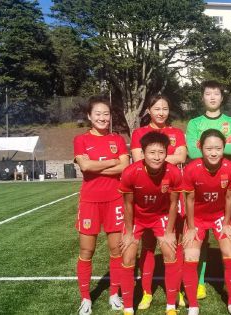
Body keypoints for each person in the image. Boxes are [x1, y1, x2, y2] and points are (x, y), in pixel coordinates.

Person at [185, 80, 231, 298]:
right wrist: (219, 149)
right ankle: (199, 282)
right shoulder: (194, 123)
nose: (212, 97)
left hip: (225, 184)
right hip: (200, 185)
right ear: (203, 97)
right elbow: (191, 151)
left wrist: (209, 149)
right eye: (208, 93)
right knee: (199, 238)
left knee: (226, 232)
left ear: (221, 97)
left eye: (216, 93)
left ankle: (229, 282)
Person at [73, 96, 130, 315]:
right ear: (89, 116)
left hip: (115, 200)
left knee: (116, 250)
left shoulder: (117, 139)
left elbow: (125, 168)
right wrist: (111, 162)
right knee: (87, 250)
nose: (102, 118)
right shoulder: (81, 139)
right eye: (98, 113)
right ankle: (86, 298)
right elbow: (85, 166)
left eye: (106, 114)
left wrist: (96, 166)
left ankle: (114, 294)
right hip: (90, 201)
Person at [129, 95, 187, 310]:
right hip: (146, 198)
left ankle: (177, 290)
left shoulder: (176, 133)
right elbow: (137, 161)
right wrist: (165, 158)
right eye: (157, 108)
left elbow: (182, 156)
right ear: (149, 110)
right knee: (148, 246)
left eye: (165, 108)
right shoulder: (139, 133)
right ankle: (146, 291)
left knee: (174, 243)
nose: (161, 112)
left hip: (172, 195)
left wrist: (153, 158)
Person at [118, 131, 183, 315]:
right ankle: (128, 308)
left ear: (166, 153)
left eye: (161, 152)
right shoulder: (131, 172)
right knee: (128, 254)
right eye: (152, 152)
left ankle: (171, 306)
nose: (157, 157)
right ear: (143, 153)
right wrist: (130, 232)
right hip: (137, 218)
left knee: (170, 250)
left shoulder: (173, 172)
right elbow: (128, 204)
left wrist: (169, 231)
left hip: (160, 216)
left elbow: (173, 203)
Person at [181, 129, 231, 315]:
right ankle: (193, 305)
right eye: (209, 148)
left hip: (219, 217)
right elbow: (189, 200)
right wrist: (191, 227)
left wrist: (226, 223)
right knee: (191, 256)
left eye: (218, 148)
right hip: (197, 218)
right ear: (200, 148)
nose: (213, 152)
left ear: (224, 148)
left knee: (229, 252)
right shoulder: (191, 169)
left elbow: (230, 198)